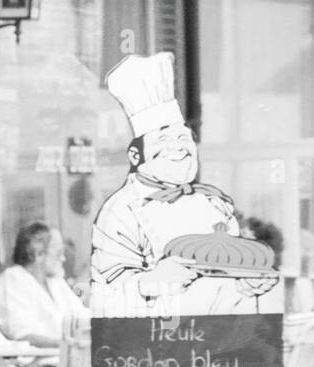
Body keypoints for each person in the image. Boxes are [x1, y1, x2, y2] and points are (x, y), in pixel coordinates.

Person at [91, 53, 280, 317]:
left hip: (220, 346)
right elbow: (102, 299)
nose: (178, 147)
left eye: (183, 137)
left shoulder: (214, 204)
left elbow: (225, 278)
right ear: (136, 156)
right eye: (164, 140)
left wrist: (248, 285)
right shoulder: (120, 211)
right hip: (154, 349)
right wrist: (151, 281)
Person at [0, 222, 91, 348]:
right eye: (59, 252)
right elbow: (21, 334)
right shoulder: (13, 278)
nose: (63, 259)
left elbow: (82, 316)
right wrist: (63, 345)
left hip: (69, 355)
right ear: (38, 254)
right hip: (38, 361)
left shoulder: (55, 281)